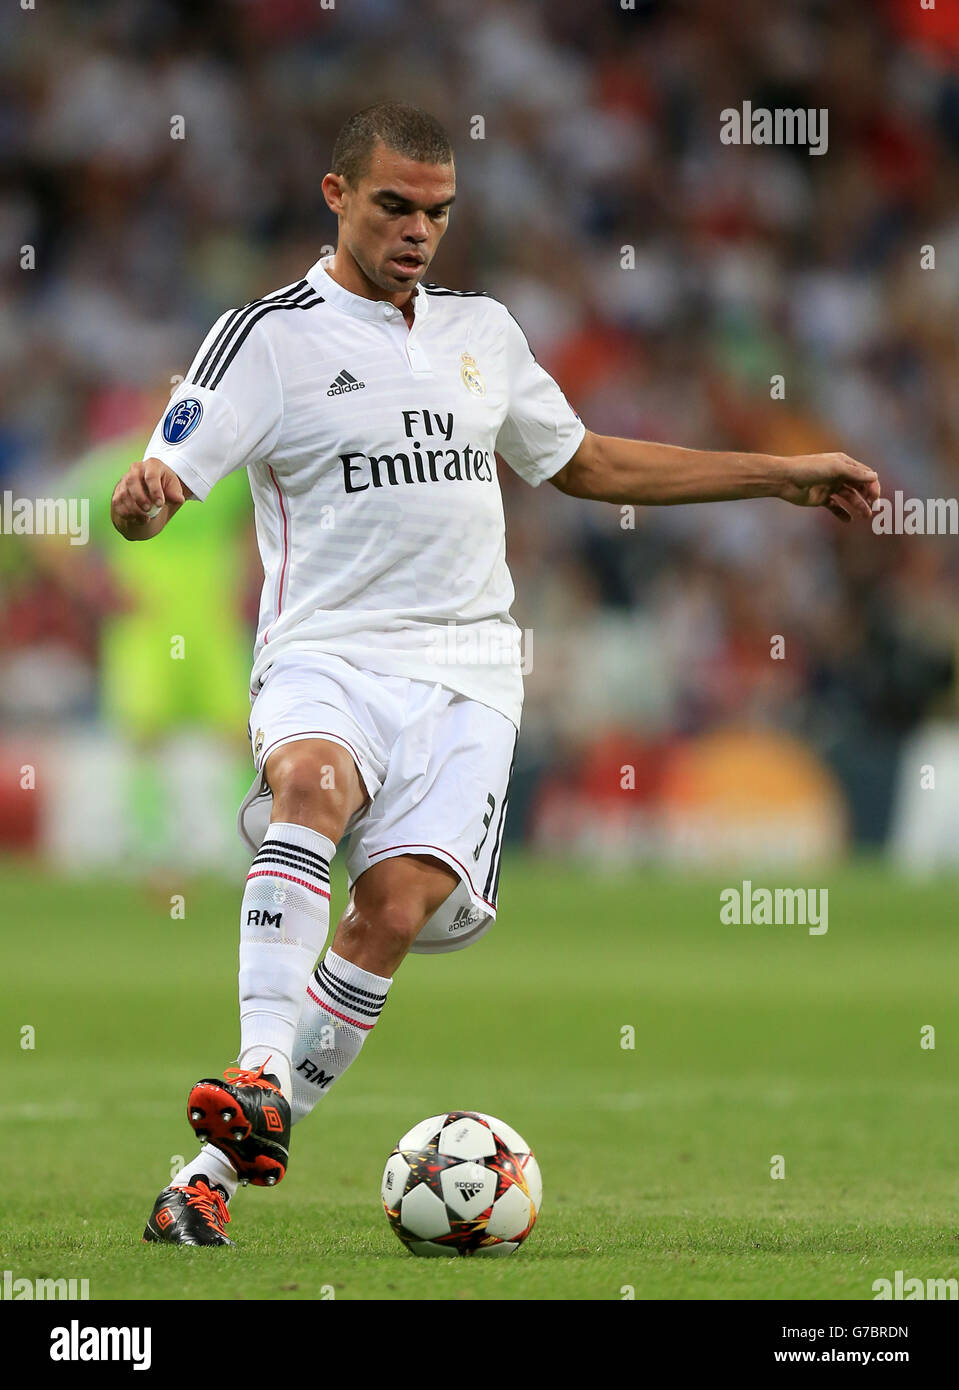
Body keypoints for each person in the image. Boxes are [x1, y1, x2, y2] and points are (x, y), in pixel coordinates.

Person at [109, 102, 879, 1247]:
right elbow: (164, 467)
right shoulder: (268, 335)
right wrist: (150, 493)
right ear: (336, 196)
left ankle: (209, 1173)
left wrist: (777, 476)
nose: (419, 230)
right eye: (395, 206)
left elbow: (590, 462)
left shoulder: (485, 332)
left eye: (437, 211)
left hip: (470, 667)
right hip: (328, 648)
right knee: (307, 785)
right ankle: (260, 1062)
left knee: (392, 909)